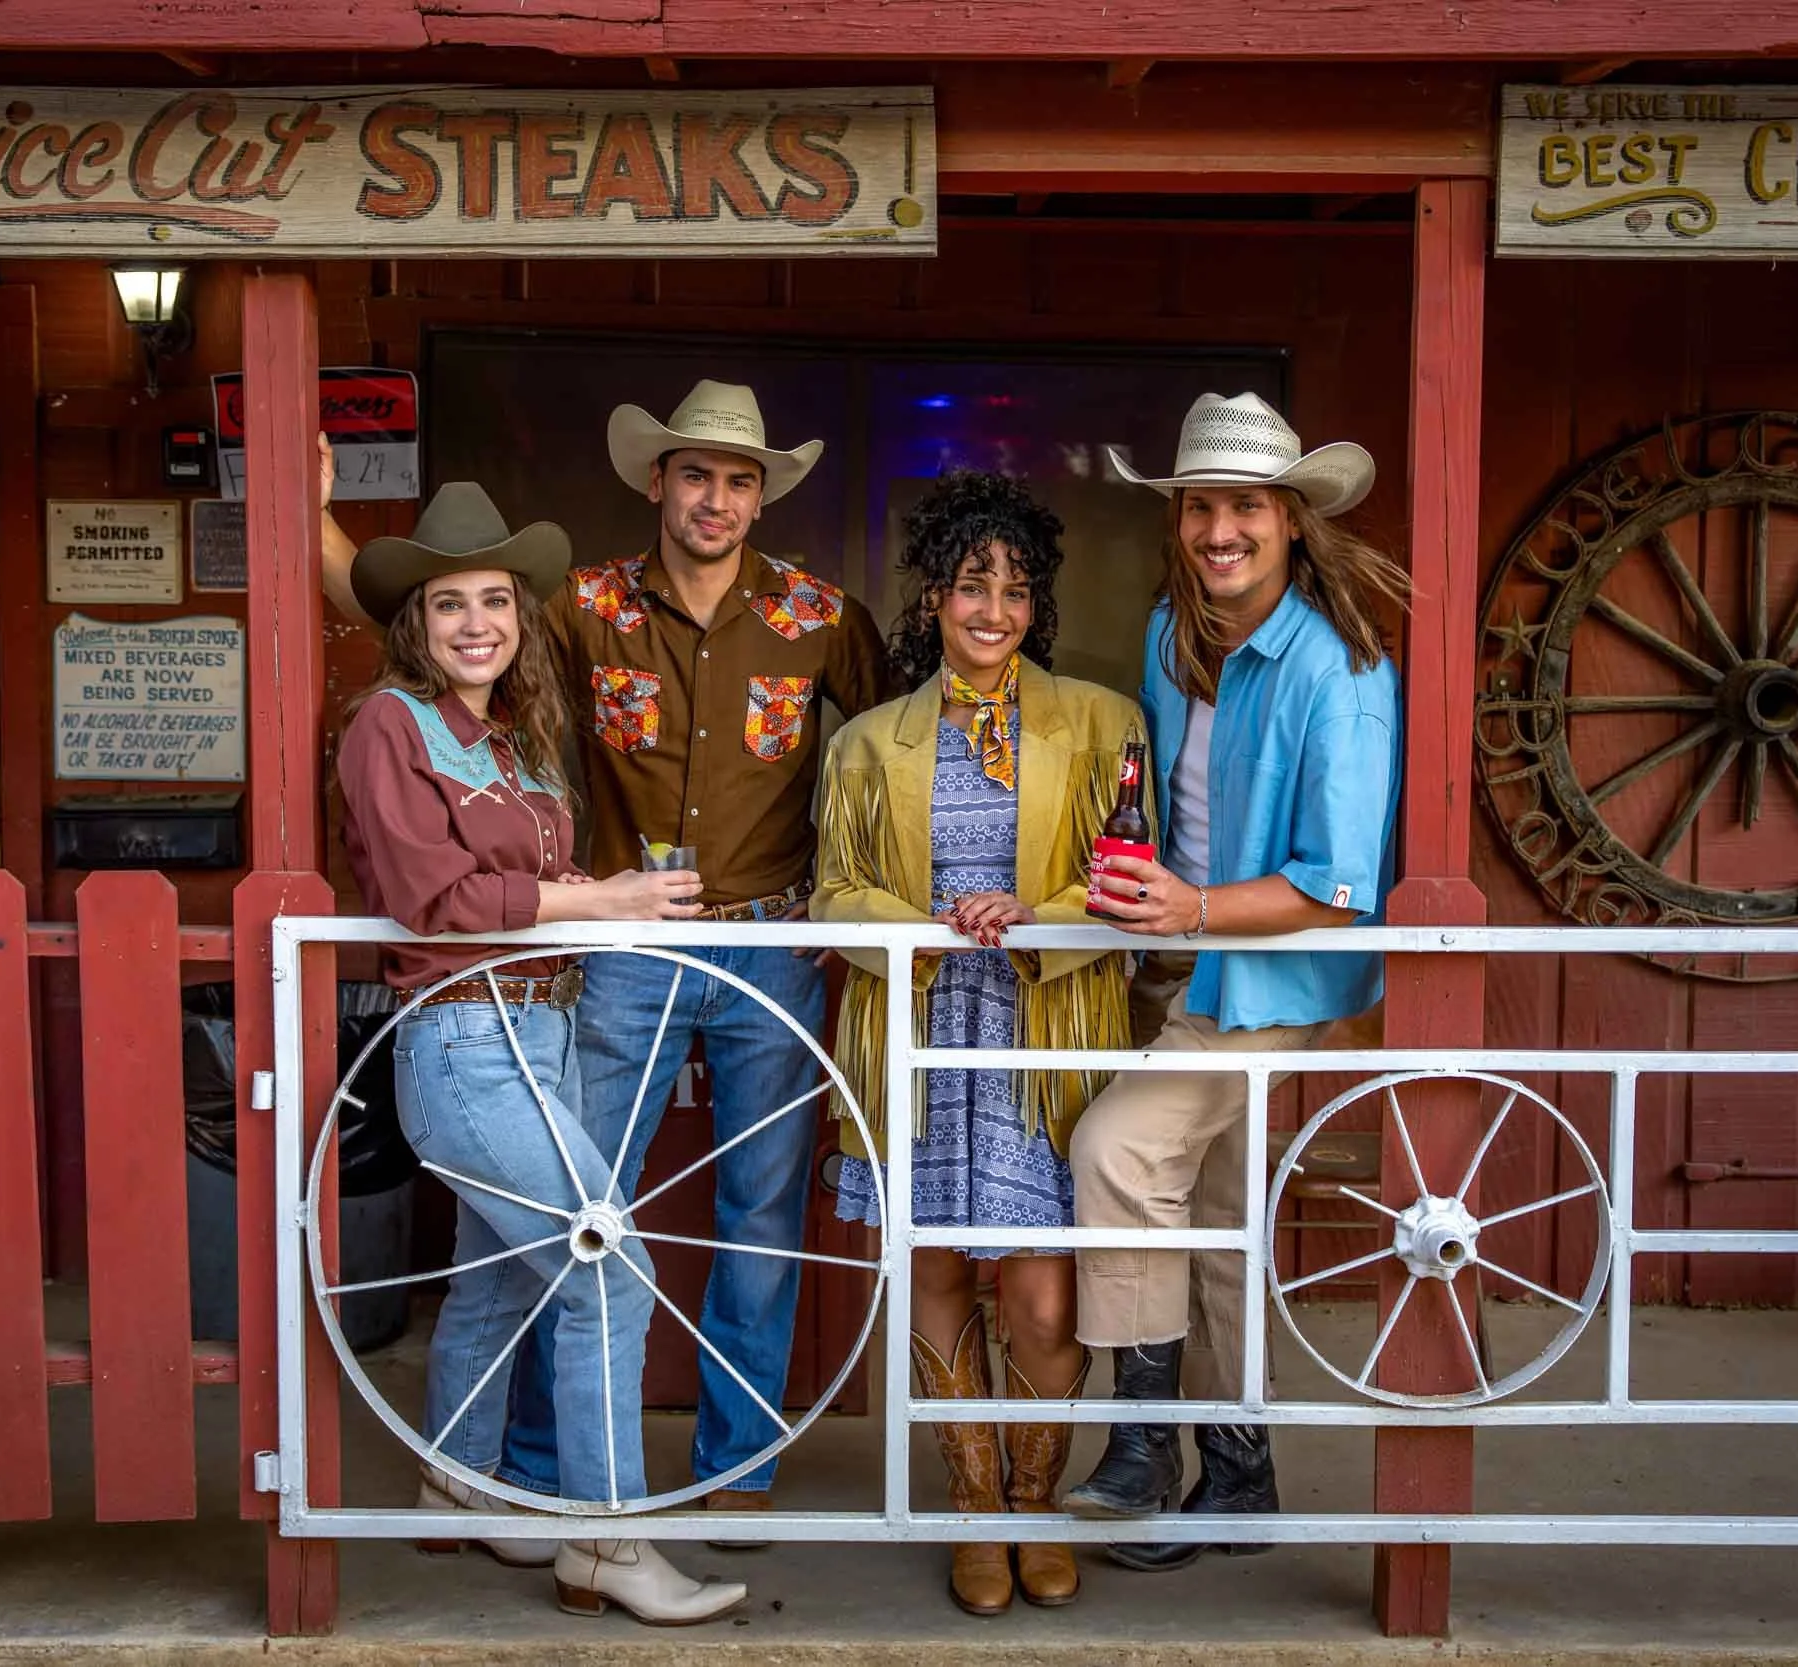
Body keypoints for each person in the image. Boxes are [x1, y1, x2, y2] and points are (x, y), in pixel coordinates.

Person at [323, 382, 892, 1536]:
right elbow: (426, 613)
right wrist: (310, 518)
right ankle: (544, 1462)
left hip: (769, 946)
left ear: (763, 494)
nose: (716, 498)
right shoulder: (579, 607)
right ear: (657, 483)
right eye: (695, 474)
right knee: (585, 1204)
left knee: (761, 1210)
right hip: (615, 947)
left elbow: (895, 744)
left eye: (739, 479)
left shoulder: (823, 616)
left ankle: (735, 1463)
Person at [334, 478, 744, 1625]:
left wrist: (612, 904)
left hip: (540, 1025)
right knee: (608, 1263)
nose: (480, 624)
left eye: (498, 602)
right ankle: (604, 1537)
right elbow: (427, 894)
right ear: (417, 622)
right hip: (465, 1034)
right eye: (453, 603)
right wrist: (598, 897)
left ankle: (454, 1479)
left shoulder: (510, 737)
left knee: (503, 1269)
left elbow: (528, 890)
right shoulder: (389, 724)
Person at [1060, 392, 1407, 1570]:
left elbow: (1343, 882)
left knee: (1117, 1150)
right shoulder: (1174, 632)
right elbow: (1165, 807)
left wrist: (1195, 906)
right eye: (1201, 504)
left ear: (1292, 521)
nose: (1220, 528)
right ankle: (1241, 1476)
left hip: (1269, 982)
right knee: (1207, 1220)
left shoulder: (1340, 673)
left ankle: (1144, 1441)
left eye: (1245, 507)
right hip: (1178, 962)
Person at [811, 470, 1140, 1615]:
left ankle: (1035, 1497)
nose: (992, 607)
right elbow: (835, 891)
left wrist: (1035, 915)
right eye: (969, 583)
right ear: (932, 599)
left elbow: (1126, 878)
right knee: (941, 1267)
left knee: (1045, 1295)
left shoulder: (1101, 721)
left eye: (1015, 586)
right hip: (920, 1021)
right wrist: (925, 937)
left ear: (1037, 602)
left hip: (1041, 1023)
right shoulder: (867, 741)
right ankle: (971, 1506)